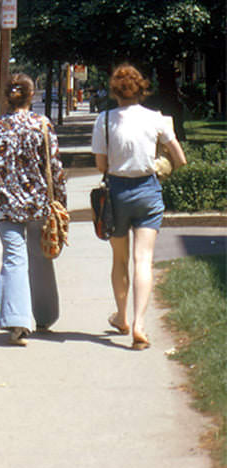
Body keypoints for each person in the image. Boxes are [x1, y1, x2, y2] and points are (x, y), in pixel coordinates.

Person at [91, 64, 186, 350]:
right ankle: (140, 324)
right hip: (148, 190)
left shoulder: (105, 120)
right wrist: (160, 166)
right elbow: (179, 158)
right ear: (141, 88)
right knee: (143, 260)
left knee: (120, 260)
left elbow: (101, 165)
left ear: (114, 91)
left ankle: (121, 317)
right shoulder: (156, 119)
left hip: (117, 194)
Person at [0, 73, 66, 345]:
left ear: (6, 97)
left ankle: (17, 321)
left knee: (14, 258)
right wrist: (60, 199)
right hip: (38, 202)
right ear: (31, 96)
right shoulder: (42, 125)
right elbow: (56, 167)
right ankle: (45, 316)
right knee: (40, 257)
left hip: (5, 204)